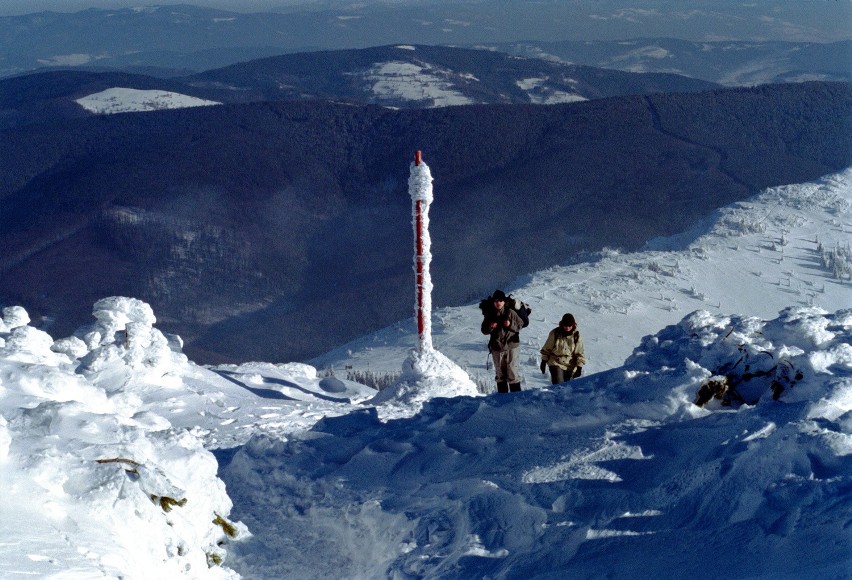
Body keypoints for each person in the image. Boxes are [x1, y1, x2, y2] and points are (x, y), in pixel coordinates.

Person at [480, 289, 524, 393]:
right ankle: (504, 401)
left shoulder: (511, 312)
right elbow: (484, 330)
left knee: (512, 373)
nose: (498, 303)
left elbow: (520, 325)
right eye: (496, 301)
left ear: (504, 301)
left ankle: (516, 400)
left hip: (511, 347)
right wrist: (490, 327)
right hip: (497, 348)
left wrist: (510, 325)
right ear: (493, 302)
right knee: (500, 375)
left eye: (500, 300)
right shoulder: (490, 314)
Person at [540, 313, 586, 385]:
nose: (567, 328)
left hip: (570, 366)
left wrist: (579, 367)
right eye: (565, 325)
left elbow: (579, 353)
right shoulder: (555, 333)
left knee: (567, 388)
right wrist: (543, 361)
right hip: (556, 362)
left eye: (569, 326)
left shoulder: (576, 336)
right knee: (559, 385)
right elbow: (546, 349)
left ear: (573, 325)